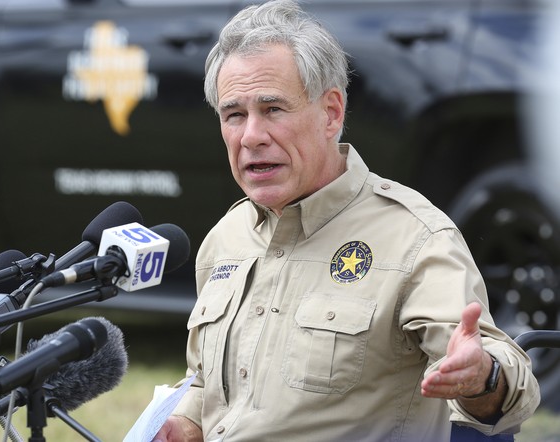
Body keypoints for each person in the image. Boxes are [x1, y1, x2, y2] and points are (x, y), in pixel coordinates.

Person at [153, 1, 540, 440]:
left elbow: (509, 388)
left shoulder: (413, 237)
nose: (251, 136)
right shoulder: (227, 236)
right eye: (234, 115)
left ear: (331, 113)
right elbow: (206, 382)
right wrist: (184, 422)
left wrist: (481, 378)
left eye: (273, 109)